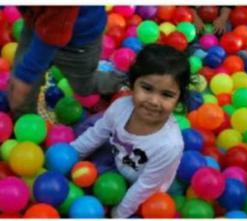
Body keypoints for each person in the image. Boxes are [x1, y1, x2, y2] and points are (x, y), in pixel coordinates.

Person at [71, 43, 190, 218]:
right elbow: (97, 134)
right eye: (147, 88)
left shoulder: (169, 145)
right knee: (91, 127)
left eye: (166, 95)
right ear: (133, 84)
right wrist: (72, 155)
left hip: (145, 190)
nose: (154, 101)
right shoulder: (120, 106)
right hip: (116, 161)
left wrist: (118, 213)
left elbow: (144, 187)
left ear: (178, 99)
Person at [8, 6, 128, 119]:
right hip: (36, 24)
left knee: (84, 86)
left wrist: (26, 75)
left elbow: (54, 31)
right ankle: (24, 122)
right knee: (21, 91)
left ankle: (123, 78)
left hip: (79, 41)